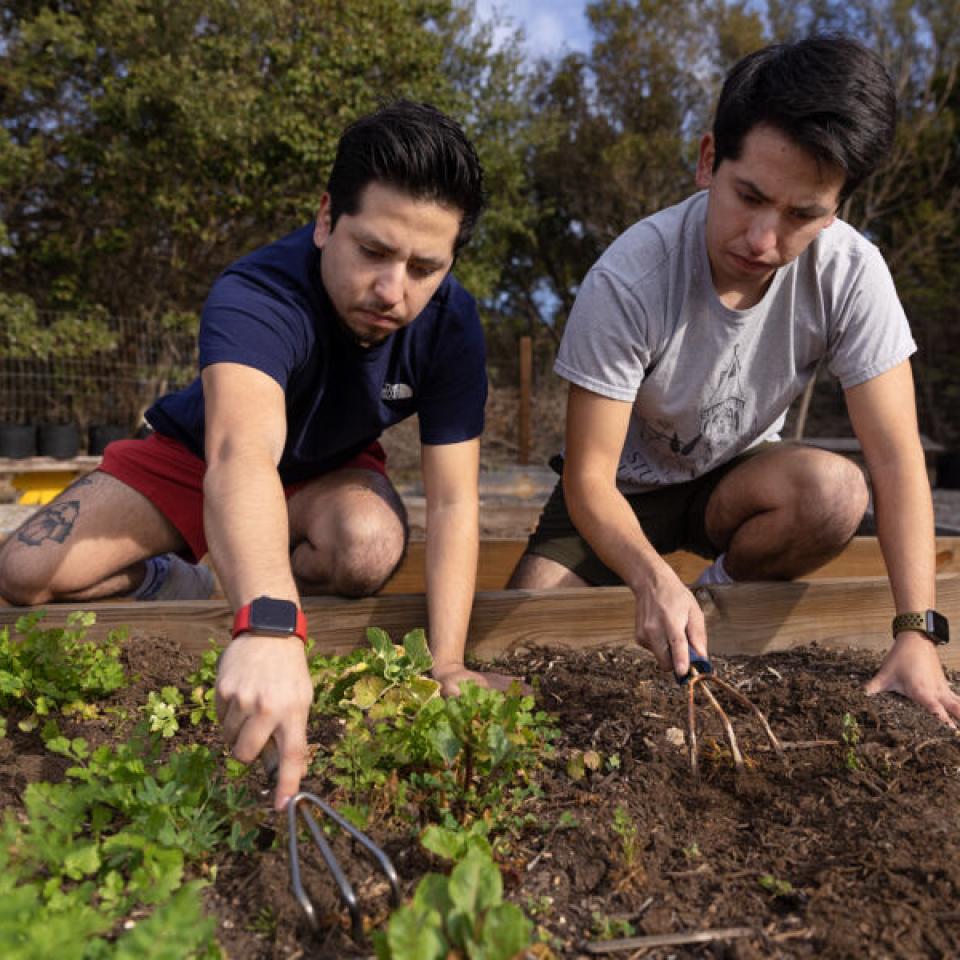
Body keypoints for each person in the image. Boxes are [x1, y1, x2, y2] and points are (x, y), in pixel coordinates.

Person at [0, 100, 520, 807]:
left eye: (425, 266)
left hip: (327, 474)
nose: (394, 291)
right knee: (24, 572)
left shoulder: (453, 324)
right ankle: (174, 576)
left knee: (368, 548)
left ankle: (241, 556)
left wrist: (449, 660)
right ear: (325, 218)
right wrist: (270, 624)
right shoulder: (257, 293)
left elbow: (457, 500)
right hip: (197, 457)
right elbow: (240, 455)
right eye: (372, 251)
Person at [509, 34, 960, 725]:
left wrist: (915, 631)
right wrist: (651, 578)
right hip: (620, 494)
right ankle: (673, 592)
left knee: (836, 492)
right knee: (526, 640)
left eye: (802, 215)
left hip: (734, 481)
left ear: (837, 209)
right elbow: (589, 480)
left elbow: (898, 460)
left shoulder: (851, 273)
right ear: (708, 159)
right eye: (749, 196)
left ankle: (713, 597)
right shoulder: (632, 276)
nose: (762, 240)